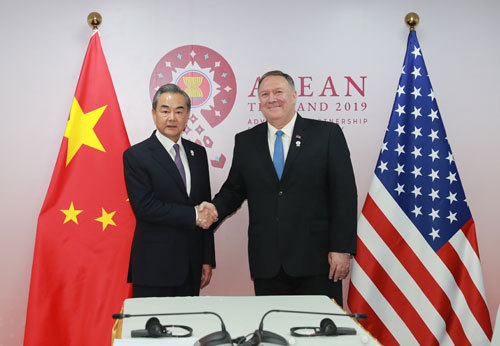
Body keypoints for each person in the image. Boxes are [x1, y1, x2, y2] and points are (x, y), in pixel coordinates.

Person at [201, 71, 357, 305]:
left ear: (294, 96)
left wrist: (342, 248)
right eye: (265, 94)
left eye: (278, 92)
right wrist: (212, 209)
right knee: (273, 337)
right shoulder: (246, 141)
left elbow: (344, 195)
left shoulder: (327, 135)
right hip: (268, 263)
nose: (271, 99)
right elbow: (234, 190)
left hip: (317, 261)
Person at [123, 84, 216, 297]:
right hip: (154, 267)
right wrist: (193, 215)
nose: (172, 117)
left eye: (179, 111)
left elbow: (205, 204)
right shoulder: (136, 155)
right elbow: (145, 207)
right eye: (165, 111)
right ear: (154, 114)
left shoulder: (198, 153)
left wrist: (206, 258)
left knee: (189, 327)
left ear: (187, 116)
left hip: (192, 267)